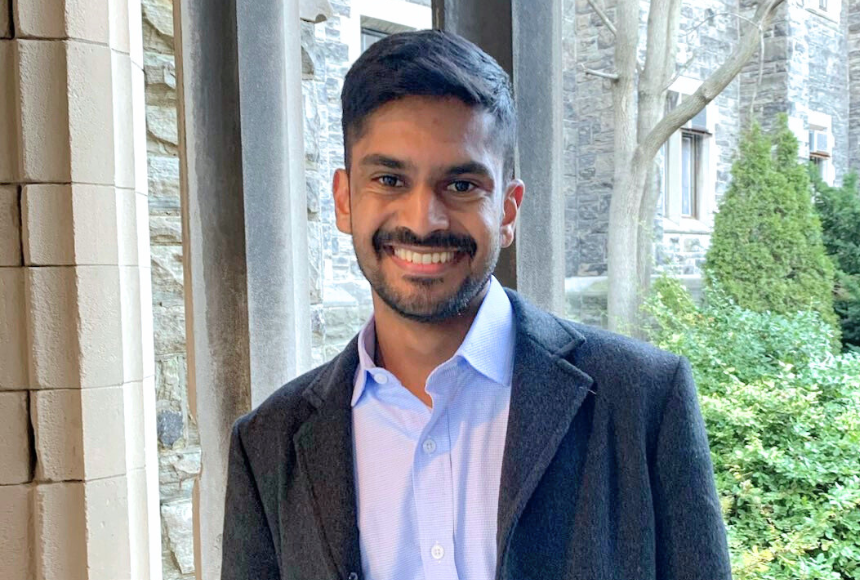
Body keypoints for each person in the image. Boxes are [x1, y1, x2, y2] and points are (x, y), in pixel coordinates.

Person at [220, 30, 731, 580]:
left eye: (461, 185)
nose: (423, 220)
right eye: (389, 179)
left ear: (508, 211)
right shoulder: (268, 446)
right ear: (346, 200)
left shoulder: (644, 401)